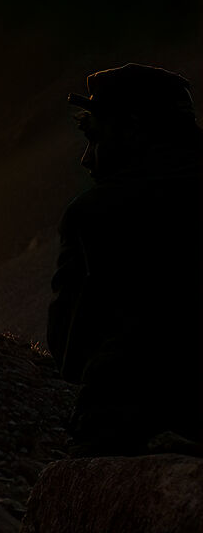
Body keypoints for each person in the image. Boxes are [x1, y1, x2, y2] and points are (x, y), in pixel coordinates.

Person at [47, 65, 203, 455]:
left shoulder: (95, 214)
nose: (86, 159)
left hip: (125, 423)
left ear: (132, 130)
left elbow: (69, 349)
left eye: (94, 138)